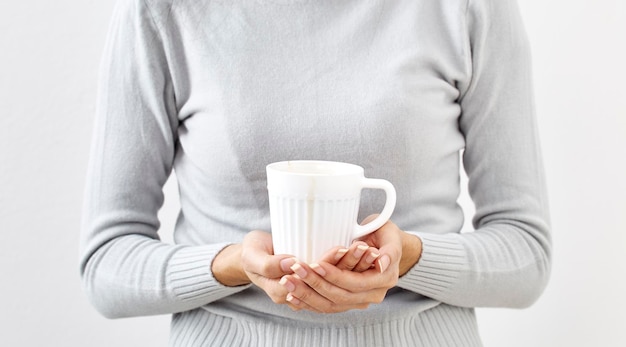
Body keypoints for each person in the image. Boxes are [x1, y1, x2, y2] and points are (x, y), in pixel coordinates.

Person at [80, 0, 552, 345]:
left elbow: (526, 256)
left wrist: (408, 258)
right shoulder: (160, 11)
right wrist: (232, 265)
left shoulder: (468, 8)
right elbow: (106, 264)